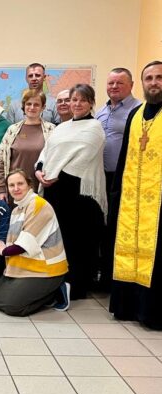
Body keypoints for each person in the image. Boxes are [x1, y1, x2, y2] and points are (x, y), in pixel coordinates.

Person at [36, 84, 106, 300]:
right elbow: (46, 152)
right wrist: (39, 170)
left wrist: (55, 175)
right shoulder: (61, 128)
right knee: (59, 239)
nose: (76, 104)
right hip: (54, 191)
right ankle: (58, 283)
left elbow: (83, 158)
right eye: (73, 99)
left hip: (80, 193)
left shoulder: (94, 127)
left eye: (82, 100)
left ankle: (77, 286)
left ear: (91, 103)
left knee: (79, 241)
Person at [109, 61, 162, 329]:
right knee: (129, 249)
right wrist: (117, 192)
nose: (154, 83)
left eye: (159, 77)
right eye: (149, 78)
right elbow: (123, 157)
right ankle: (127, 308)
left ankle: (152, 313)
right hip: (132, 197)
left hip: (159, 202)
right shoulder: (136, 114)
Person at [0, 169, 69, 316]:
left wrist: (0, 249)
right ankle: (43, 293)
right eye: (11, 185)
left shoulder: (38, 205)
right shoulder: (17, 210)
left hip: (46, 269)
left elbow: (21, 247)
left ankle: (56, 291)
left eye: (20, 184)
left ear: (29, 185)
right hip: (24, 266)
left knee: (13, 307)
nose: (16, 188)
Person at [95, 68, 141, 287]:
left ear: (131, 85)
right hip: (100, 177)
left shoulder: (138, 110)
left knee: (116, 226)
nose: (114, 87)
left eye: (120, 83)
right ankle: (102, 273)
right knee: (101, 225)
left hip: (123, 178)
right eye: (111, 83)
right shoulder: (101, 111)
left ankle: (116, 277)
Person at [0, 90, 55, 203]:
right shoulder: (12, 130)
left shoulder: (51, 130)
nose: (32, 107)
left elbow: (56, 159)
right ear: (23, 106)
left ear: (43, 107)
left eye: (36, 104)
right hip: (15, 190)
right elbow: (1, 160)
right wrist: (1, 189)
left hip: (41, 189)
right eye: (28, 104)